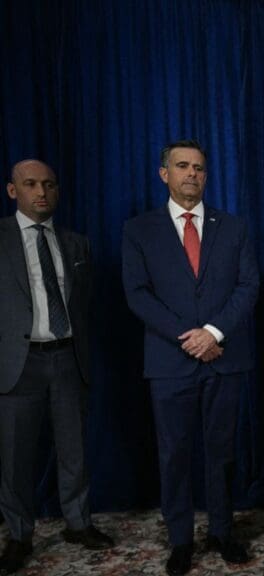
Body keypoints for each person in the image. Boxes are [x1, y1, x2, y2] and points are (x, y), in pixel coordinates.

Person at [122, 140, 259, 576]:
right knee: (174, 455)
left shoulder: (233, 227)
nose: (191, 174)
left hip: (224, 357)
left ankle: (222, 531)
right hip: (170, 361)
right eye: (182, 166)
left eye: (199, 167)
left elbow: (248, 286)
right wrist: (190, 338)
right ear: (164, 174)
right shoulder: (139, 230)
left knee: (222, 453)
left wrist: (213, 333)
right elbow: (138, 294)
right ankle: (180, 540)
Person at [0, 160, 114, 575]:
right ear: (13, 190)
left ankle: (78, 524)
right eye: (30, 184)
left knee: (74, 448)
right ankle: (19, 534)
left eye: (48, 184)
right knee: (15, 457)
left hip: (67, 358)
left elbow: (85, 305)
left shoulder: (76, 243)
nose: (41, 192)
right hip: (18, 363)